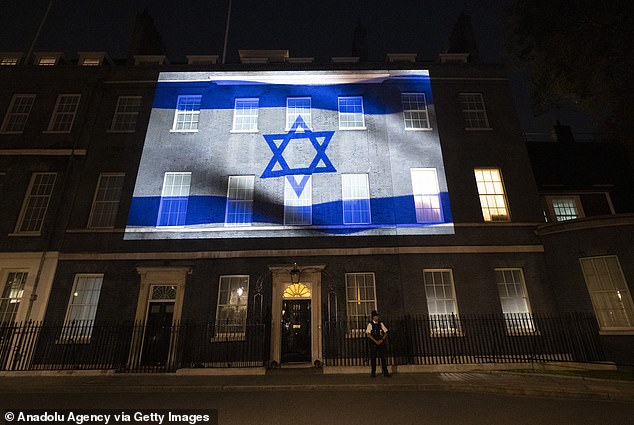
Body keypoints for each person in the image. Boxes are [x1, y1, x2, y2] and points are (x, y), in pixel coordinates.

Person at [366, 310, 390, 377]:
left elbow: (386, 332)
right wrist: (375, 341)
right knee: (373, 358)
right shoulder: (370, 324)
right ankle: (373, 372)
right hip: (374, 343)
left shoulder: (381, 323)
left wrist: (382, 339)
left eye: (377, 316)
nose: (377, 317)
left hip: (381, 342)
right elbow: (368, 334)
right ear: (373, 317)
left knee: (383, 357)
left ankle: (385, 372)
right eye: (375, 316)